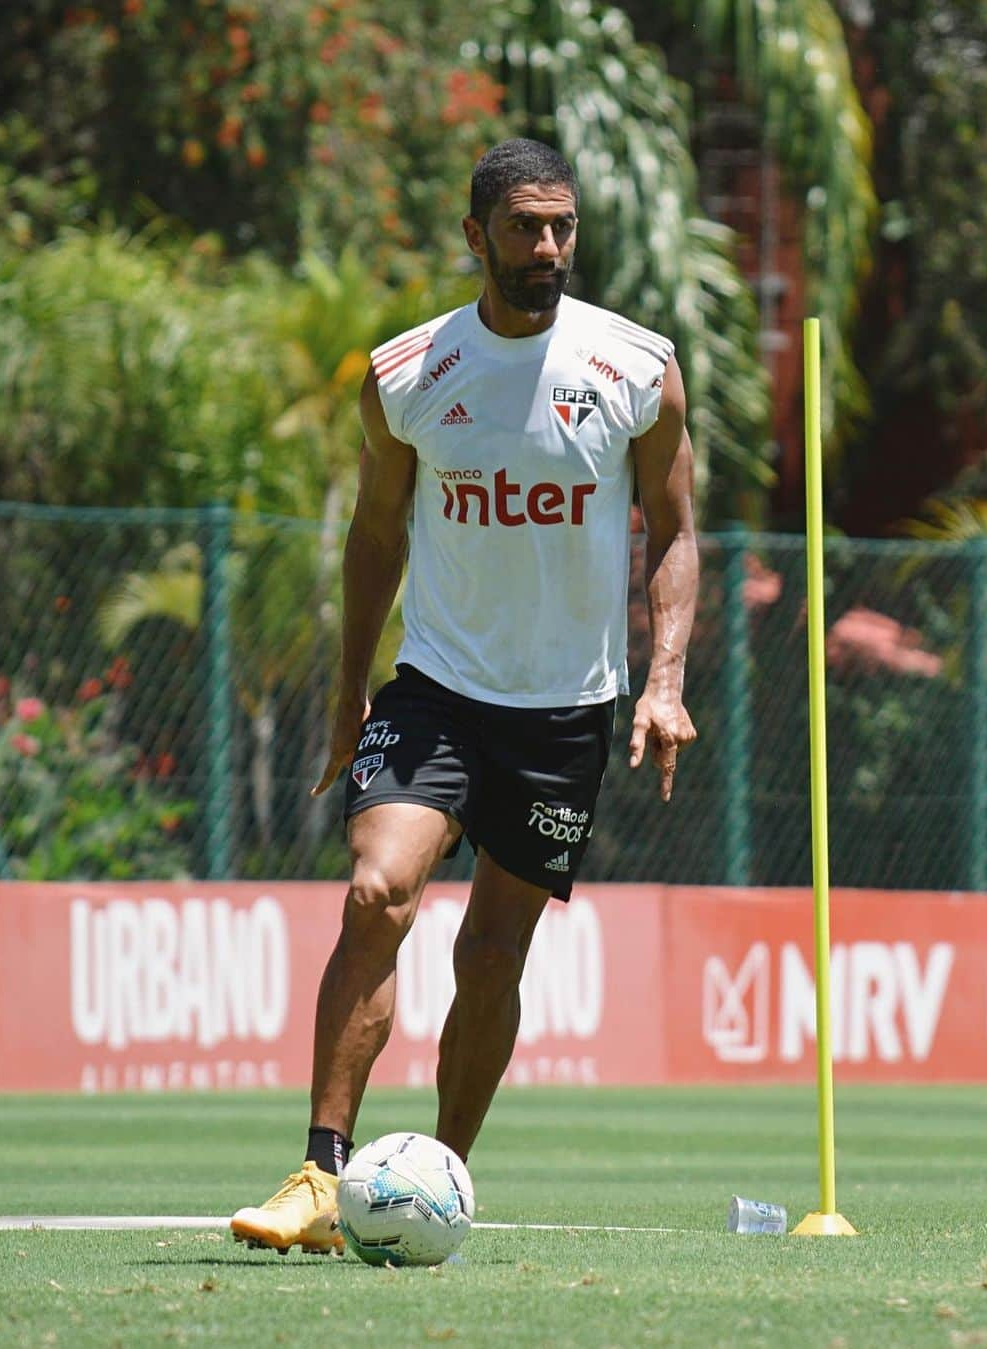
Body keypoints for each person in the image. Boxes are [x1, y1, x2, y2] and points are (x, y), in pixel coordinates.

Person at [230, 138, 698, 1254]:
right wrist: (350, 690)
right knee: (377, 891)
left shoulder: (637, 368)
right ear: (474, 233)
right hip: (436, 686)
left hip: (567, 710)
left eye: (563, 228)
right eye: (527, 227)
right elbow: (375, 534)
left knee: (492, 954)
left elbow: (675, 527)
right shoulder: (407, 374)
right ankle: (317, 1171)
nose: (548, 248)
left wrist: (665, 678)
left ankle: (436, 1179)